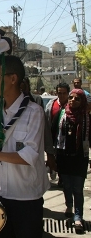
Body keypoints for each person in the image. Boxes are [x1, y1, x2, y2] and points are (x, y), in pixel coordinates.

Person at [0, 55, 50, 238]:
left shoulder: (34, 112)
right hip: (0, 192)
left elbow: (29, 156)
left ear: (13, 78)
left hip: (26, 198)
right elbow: (0, 148)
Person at [51, 89, 90, 234]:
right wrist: (51, 155)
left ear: (82, 101)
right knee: (67, 186)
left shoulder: (86, 118)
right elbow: (52, 132)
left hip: (80, 159)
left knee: (78, 189)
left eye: (77, 99)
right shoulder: (61, 115)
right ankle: (69, 205)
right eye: (71, 98)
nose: (73, 101)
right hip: (64, 158)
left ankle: (78, 217)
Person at [45, 82, 70, 184]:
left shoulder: (72, 104)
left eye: (64, 93)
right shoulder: (51, 105)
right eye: (60, 93)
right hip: (55, 140)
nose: (62, 95)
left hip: (68, 142)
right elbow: (46, 123)